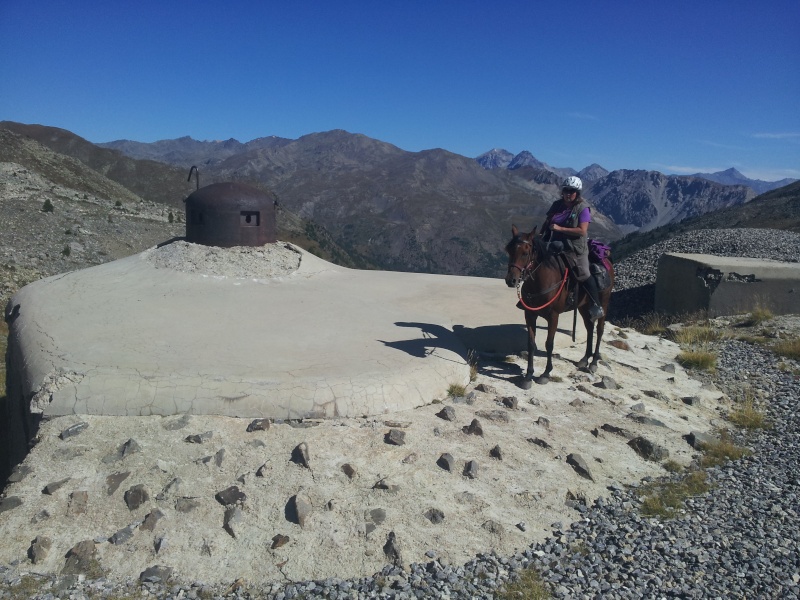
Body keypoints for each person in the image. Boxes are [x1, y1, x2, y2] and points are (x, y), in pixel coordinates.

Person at [541, 176, 604, 321]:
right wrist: (540, 235)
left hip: (575, 248)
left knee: (583, 272)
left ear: (577, 193)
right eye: (566, 190)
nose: (568, 193)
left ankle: (596, 305)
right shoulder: (557, 205)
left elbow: (582, 231)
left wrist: (560, 228)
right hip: (555, 243)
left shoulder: (582, 208)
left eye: (572, 191)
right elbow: (548, 221)